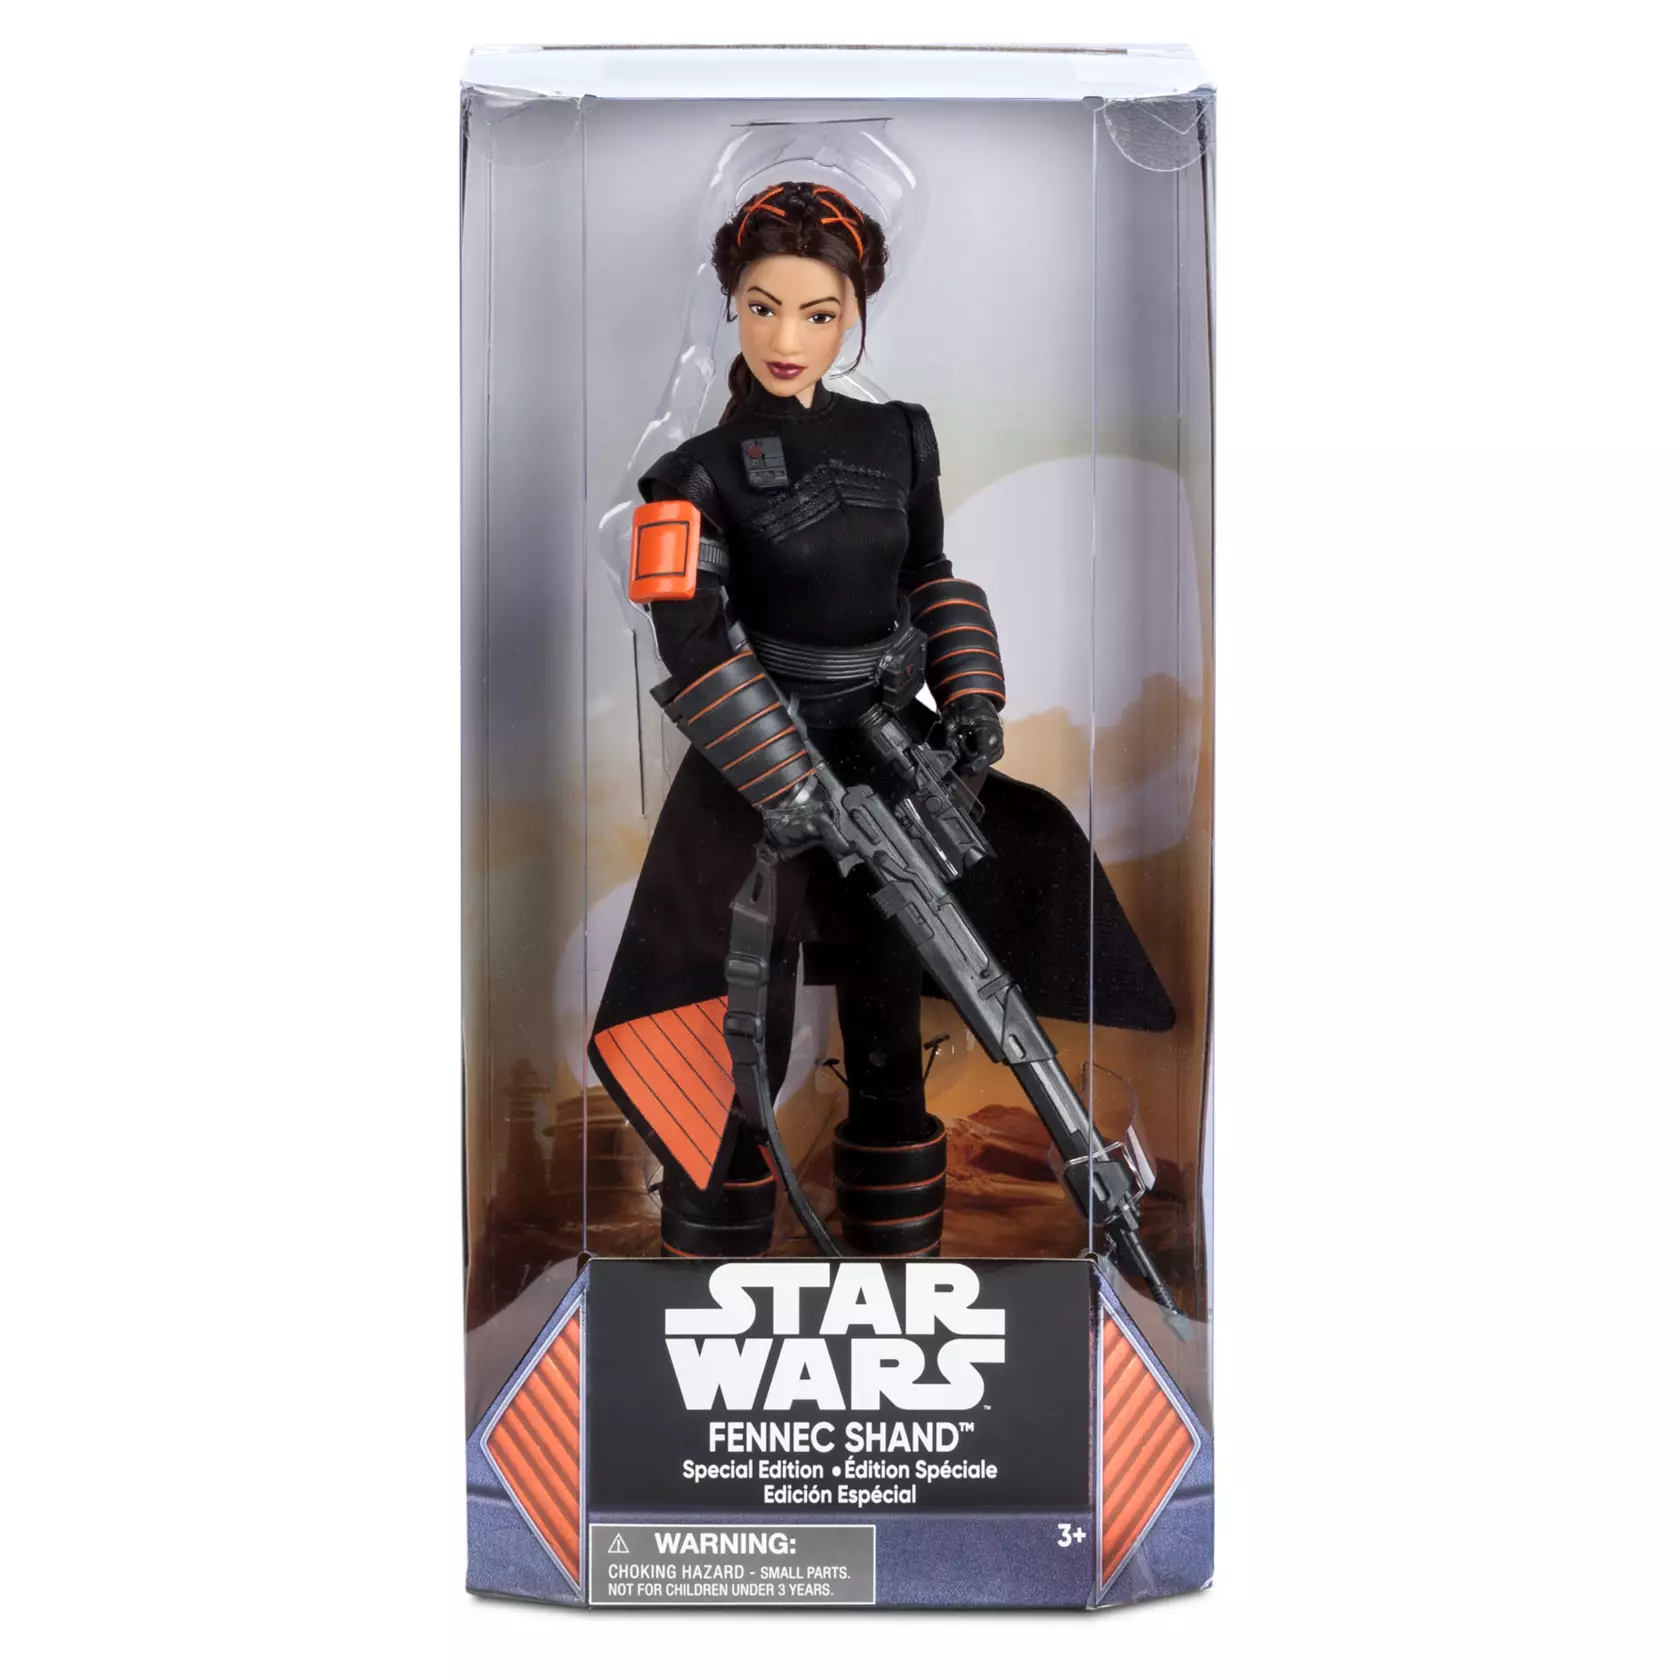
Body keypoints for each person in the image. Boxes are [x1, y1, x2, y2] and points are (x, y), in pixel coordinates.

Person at [588, 181, 1173, 1260]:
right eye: (763, 308)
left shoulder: (899, 438)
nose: (787, 338)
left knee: (893, 990)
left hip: (887, 755)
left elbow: (929, 574)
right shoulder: (692, 474)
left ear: (853, 313)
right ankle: (713, 1234)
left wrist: (973, 700)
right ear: (732, 305)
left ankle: (901, 1245)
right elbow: (691, 636)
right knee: (734, 1002)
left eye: (817, 313)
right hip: (754, 764)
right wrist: (788, 781)